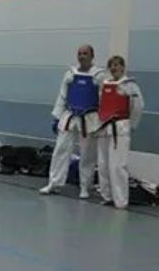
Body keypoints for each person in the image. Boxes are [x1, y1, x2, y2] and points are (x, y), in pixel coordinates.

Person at [39, 44, 107, 198]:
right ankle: (54, 183)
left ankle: (85, 186)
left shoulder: (99, 76)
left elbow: (104, 100)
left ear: (92, 56)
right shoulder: (70, 74)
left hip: (89, 118)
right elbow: (62, 96)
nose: (82, 56)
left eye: (85, 53)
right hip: (69, 116)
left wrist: (102, 122)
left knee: (87, 154)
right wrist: (57, 117)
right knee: (61, 150)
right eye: (80, 53)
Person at [94, 55, 144, 209]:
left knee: (117, 165)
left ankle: (121, 201)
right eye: (111, 65)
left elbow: (138, 106)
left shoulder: (129, 85)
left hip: (120, 127)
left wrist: (130, 125)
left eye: (117, 65)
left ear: (123, 67)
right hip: (104, 127)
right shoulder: (105, 84)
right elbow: (101, 105)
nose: (114, 68)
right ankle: (107, 195)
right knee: (103, 164)